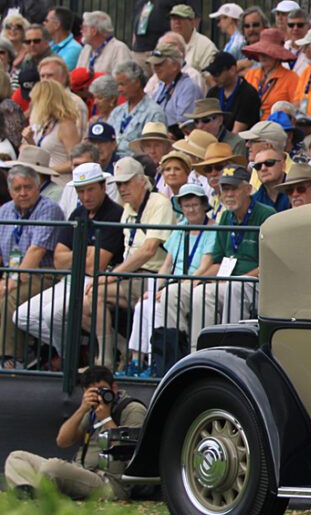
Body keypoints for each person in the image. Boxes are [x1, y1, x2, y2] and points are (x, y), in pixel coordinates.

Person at [13, 162, 126, 361]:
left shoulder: (114, 213)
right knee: (22, 316)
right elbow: (58, 259)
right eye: (80, 191)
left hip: (94, 281)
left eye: (90, 189)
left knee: (51, 315)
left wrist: (74, 253)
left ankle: (69, 364)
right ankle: (77, 351)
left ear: (102, 186)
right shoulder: (77, 213)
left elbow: (96, 265)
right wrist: (86, 251)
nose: (85, 196)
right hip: (71, 279)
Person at [82, 156, 176, 369]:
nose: (122, 188)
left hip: (154, 277)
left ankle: (106, 361)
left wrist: (111, 276)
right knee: (85, 303)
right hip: (132, 277)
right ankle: (117, 352)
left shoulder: (159, 203)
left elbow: (148, 250)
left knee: (95, 294)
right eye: (118, 184)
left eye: (127, 182)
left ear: (142, 180)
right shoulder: (127, 208)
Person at [3, 366, 148, 500]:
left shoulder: (131, 409)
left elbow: (134, 453)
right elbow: (62, 441)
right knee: (16, 457)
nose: (99, 396)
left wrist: (106, 419)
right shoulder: (92, 409)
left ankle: (36, 491)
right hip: (82, 471)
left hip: (110, 482)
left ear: (114, 388)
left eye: (103, 390)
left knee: (52, 468)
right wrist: (82, 409)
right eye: (93, 392)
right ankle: (29, 494)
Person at [131, 183, 215, 375]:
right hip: (172, 285)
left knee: (161, 306)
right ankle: (137, 362)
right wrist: (153, 289)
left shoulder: (213, 229)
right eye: (186, 205)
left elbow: (205, 266)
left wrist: (172, 288)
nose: (191, 209)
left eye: (195, 204)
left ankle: (162, 363)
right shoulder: (180, 229)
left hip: (193, 284)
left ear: (203, 205)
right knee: (143, 306)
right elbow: (167, 264)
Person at [187, 164, 272, 342]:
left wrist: (239, 278)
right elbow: (217, 261)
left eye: (233, 188)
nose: (228, 194)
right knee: (200, 293)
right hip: (229, 282)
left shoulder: (265, 214)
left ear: (248, 189)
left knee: (236, 287)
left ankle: (229, 347)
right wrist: (197, 280)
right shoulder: (226, 217)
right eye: (224, 189)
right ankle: (199, 351)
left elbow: (269, 264)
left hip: (257, 284)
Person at [0, 160, 66, 368]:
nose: (23, 193)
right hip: (11, 272)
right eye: (17, 188)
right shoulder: (4, 211)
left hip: (45, 273)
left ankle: (12, 358)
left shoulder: (49, 209)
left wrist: (10, 281)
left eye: (27, 187)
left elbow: (36, 251)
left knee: (11, 297)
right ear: (10, 191)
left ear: (37, 187)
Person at [25, 79, 82, 185]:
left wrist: (49, 170)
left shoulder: (66, 125)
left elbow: (76, 161)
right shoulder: (44, 123)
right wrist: (30, 140)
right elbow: (42, 153)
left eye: (36, 100)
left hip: (60, 183)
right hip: (43, 183)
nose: (33, 104)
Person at [108, 62, 166, 157]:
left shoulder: (154, 112)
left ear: (137, 83)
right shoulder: (117, 111)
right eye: (118, 85)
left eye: (122, 84)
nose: (119, 89)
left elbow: (155, 149)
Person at [242, 29, 299, 117]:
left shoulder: (291, 78)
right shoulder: (251, 75)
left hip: (277, 128)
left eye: (268, 52)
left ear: (278, 54)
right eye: (261, 51)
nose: (262, 55)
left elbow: (295, 110)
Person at [147, 41, 201, 130]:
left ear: (175, 65)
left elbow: (185, 124)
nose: (155, 68)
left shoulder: (188, 87)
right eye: (154, 65)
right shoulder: (161, 86)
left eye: (159, 64)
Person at [203, 53, 260, 133]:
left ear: (232, 70)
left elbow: (237, 133)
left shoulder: (248, 94)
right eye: (211, 74)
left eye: (217, 73)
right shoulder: (213, 93)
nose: (213, 78)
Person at [76, 11, 133, 79]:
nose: (81, 31)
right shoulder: (86, 48)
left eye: (84, 27)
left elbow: (124, 79)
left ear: (94, 31)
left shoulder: (119, 49)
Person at [168, 4, 218, 72]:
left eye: (181, 18)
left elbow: (209, 78)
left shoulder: (206, 47)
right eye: (174, 19)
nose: (177, 22)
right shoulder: (167, 43)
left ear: (192, 22)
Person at [249, 146, 291, 212]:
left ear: (283, 165)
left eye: (269, 163)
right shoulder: (253, 202)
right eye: (258, 166)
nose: (263, 168)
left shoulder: (298, 190)